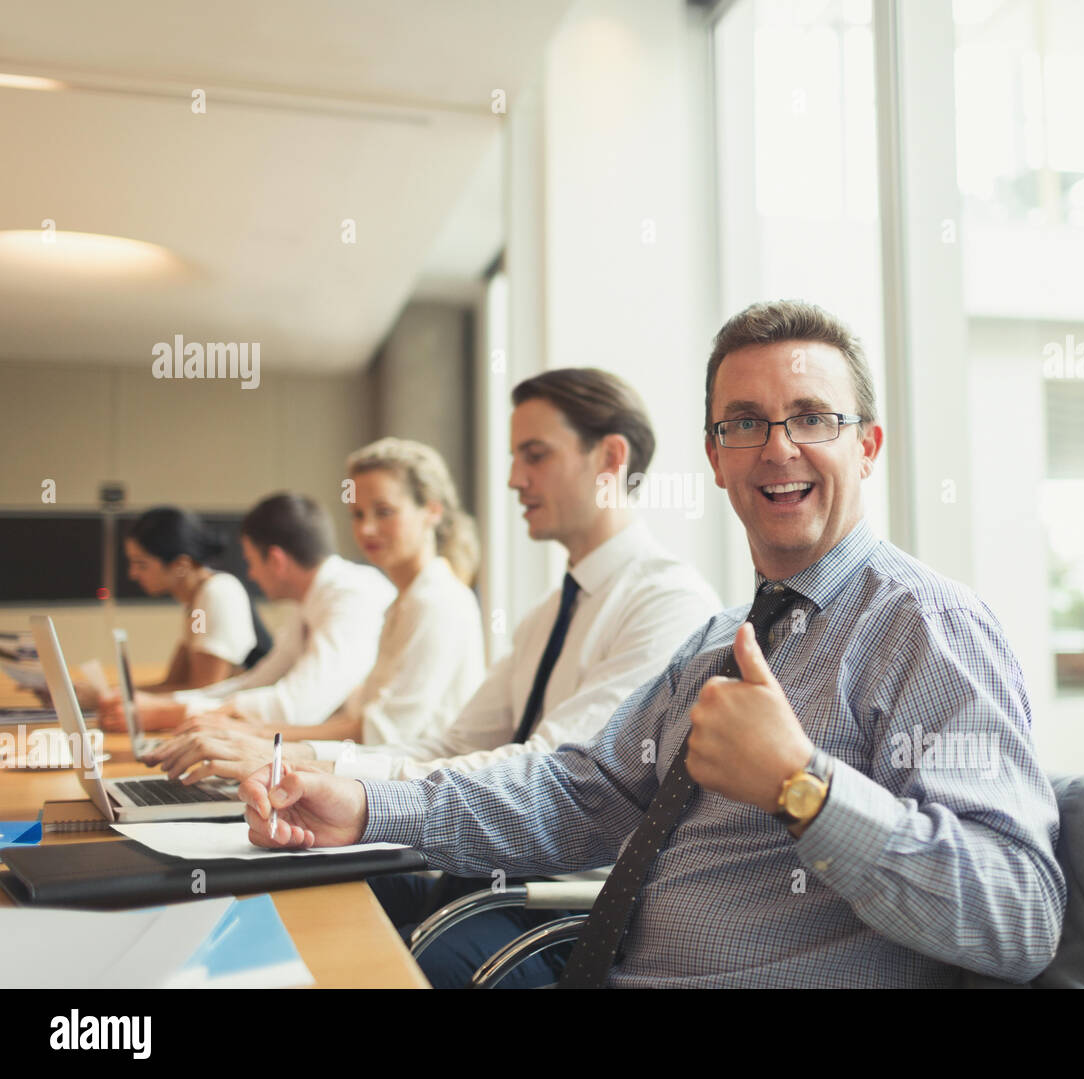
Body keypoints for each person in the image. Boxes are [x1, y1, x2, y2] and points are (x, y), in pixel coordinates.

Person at [240, 301, 1067, 987]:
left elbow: (1020, 913)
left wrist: (803, 786)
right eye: (744, 423)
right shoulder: (721, 642)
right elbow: (579, 795)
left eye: (812, 417)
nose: (778, 447)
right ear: (714, 457)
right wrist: (368, 806)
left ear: (869, 445)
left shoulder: (927, 627)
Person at [156, 369, 722, 987]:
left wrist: (344, 784)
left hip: (553, 898)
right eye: (514, 458)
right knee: (285, 889)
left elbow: (550, 775)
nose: (511, 479)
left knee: (373, 967)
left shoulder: (666, 602)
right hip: (483, 865)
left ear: (610, 457)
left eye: (534, 455)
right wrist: (306, 761)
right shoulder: (548, 612)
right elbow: (450, 748)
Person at [152, 438, 486, 756]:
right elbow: (363, 720)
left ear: (432, 511)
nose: (366, 529)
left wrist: (256, 735)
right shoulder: (403, 601)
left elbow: (382, 733)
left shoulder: (436, 601)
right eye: (357, 514)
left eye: (383, 512)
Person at [105, 492, 394, 732]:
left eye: (251, 561)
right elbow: (257, 681)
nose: (251, 575)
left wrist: (169, 712)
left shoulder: (352, 596)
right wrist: (166, 704)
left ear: (277, 560)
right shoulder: (309, 602)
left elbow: (297, 707)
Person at [120, 507, 268, 691]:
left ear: (181, 565)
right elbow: (175, 682)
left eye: (141, 564)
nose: (132, 574)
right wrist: (116, 695)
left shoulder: (217, 593)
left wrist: (116, 697)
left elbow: (203, 691)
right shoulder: (196, 603)